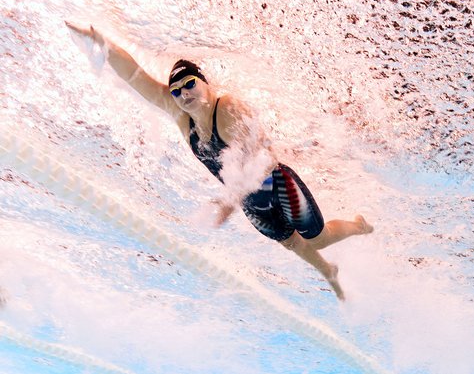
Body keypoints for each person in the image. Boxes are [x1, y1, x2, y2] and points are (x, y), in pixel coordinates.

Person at [65, 22, 373, 300]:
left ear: (205, 83)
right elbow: (136, 77)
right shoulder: (182, 117)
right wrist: (100, 41)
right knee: (291, 243)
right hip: (249, 201)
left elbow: (257, 159)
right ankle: (328, 272)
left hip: (276, 183)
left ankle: (357, 226)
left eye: (189, 84)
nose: (183, 94)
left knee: (316, 239)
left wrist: (229, 202)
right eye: (175, 91)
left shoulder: (227, 109)